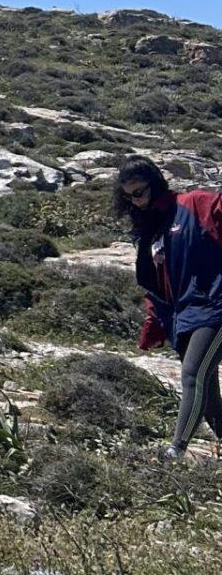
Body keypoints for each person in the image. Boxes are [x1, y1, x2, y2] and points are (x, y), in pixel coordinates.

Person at [116, 156, 222, 459]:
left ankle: (174, 452)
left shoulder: (196, 204)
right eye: (128, 196)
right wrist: (154, 324)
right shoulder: (150, 230)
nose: (135, 201)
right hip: (184, 317)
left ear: (155, 184)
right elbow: (156, 285)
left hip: (215, 308)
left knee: (192, 376)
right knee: (209, 399)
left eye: (139, 192)